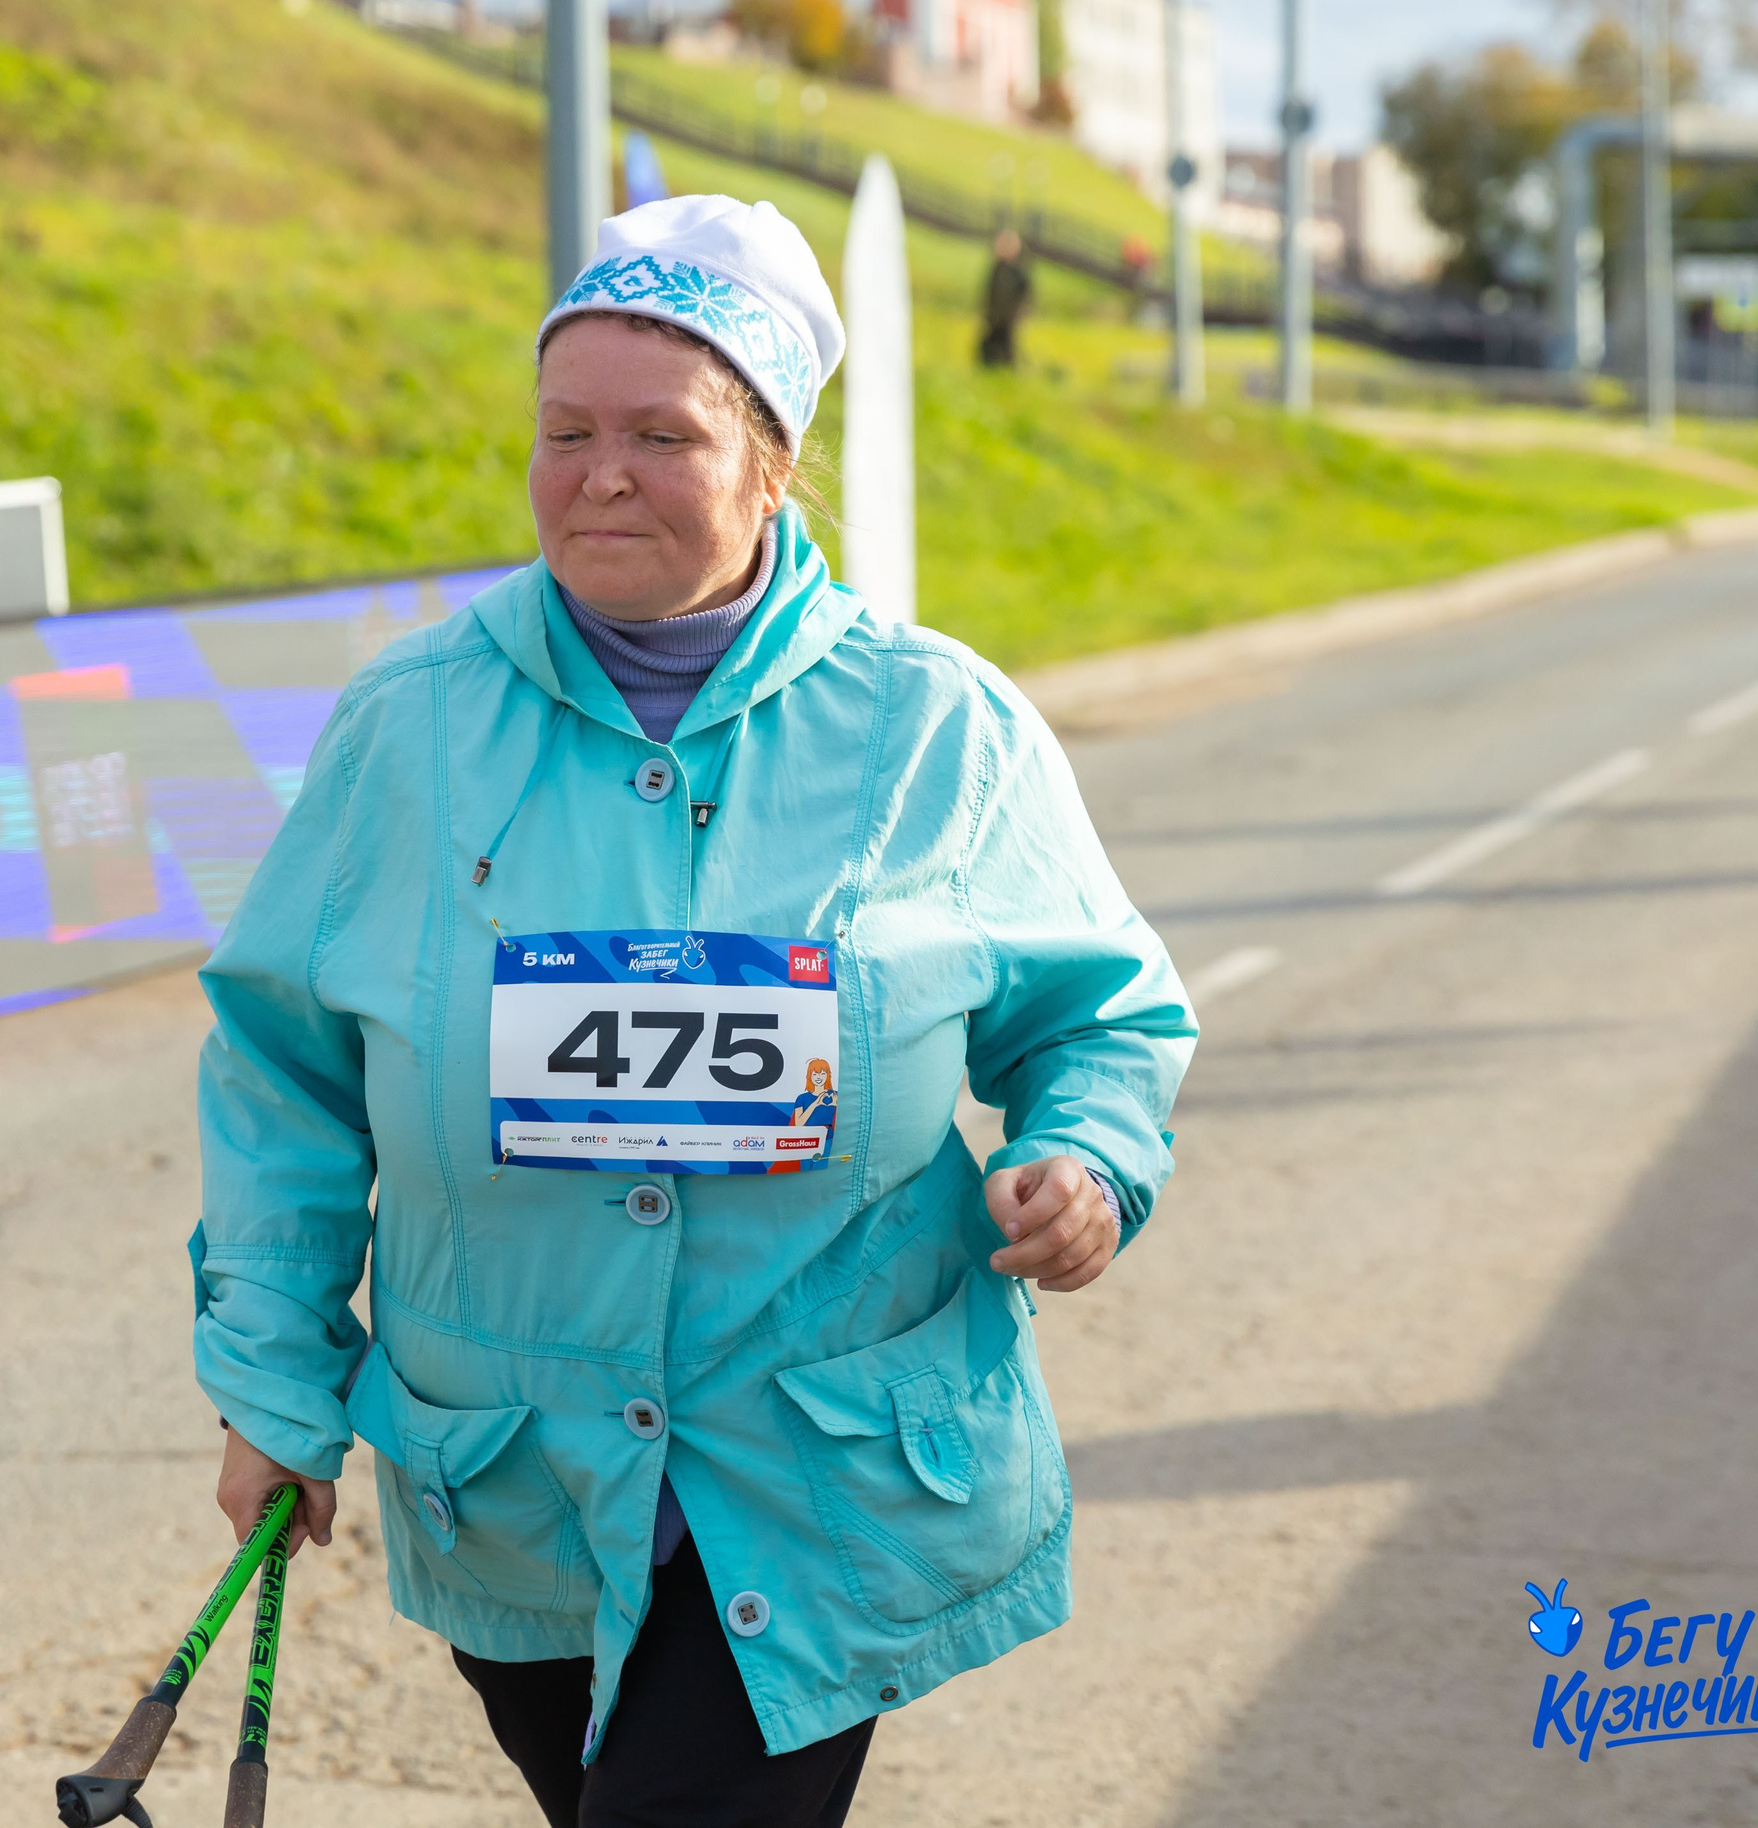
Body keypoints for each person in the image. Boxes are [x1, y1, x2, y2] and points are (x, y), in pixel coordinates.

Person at [192, 193, 1193, 1827]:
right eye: (565, 429)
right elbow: (288, 1078)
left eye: (662, 434)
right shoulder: (409, 729)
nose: (599, 473)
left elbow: (1101, 1017)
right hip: (510, 1479)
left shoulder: (938, 726)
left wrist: (1086, 1158)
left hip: (815, 1493)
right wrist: (278, 1395)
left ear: (776, 460)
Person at [979, 228, 1032, 368]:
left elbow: (1025, 294)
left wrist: (1020, 311)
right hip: (994, 315)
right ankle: (990, 367)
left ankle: (1007, 369)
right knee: (989, 343)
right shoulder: (996, 269)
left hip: (1008, 317)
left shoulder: (1019, 271)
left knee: (1007, 345)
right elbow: (989, 292)